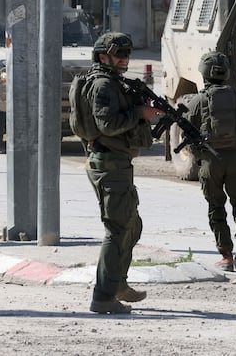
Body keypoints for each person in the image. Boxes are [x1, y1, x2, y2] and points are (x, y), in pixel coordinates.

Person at [83, 32, 159, 314]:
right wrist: (140, 114)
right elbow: (107, 124)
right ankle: (103, 297)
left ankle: (118, 284)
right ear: (103, 57)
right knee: (117, 231)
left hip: (117, 163)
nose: (124, 59)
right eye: (119, 55)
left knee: (132, 226)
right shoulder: (103, 85)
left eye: (127, 54)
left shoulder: (112, 82)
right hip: (109, 165)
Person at [184, 51, 236, 272]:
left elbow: (188, 131)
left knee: (216, 207)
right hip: (235, 158)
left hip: (210, 161)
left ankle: (226, 256)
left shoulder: (199, 100)